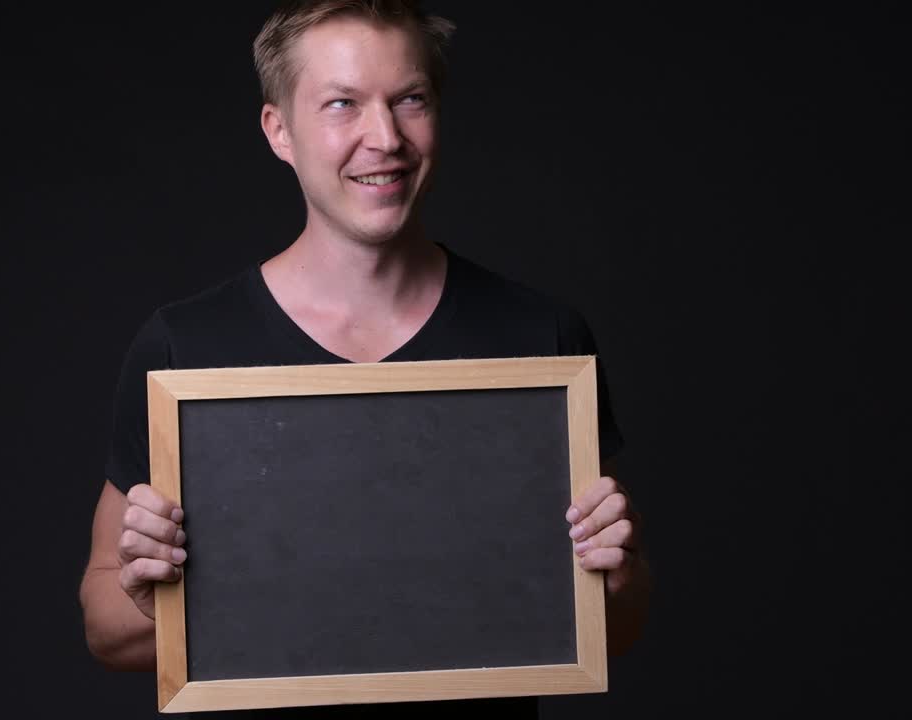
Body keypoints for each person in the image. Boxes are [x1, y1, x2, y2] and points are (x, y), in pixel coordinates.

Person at [79, 1, 651, 715]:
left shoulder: (541, 335)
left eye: (410, 99)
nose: (384, 137)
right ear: (279, 130)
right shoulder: (184, 348)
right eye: (342, 104)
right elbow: (105, 626)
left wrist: (616, 576)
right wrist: (148, 598)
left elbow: (614, 625)